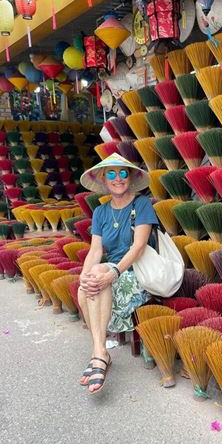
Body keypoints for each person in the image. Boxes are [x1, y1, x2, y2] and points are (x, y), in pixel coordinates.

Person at [78, 153, 159, 395]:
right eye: (110, 174)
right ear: (103, 180)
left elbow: (139, 247)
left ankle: (99, 356)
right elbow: (95, 250)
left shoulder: (141, 204)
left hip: (137, 272)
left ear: (130, 177)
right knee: (85, 289)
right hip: (111, 272)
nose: (117, 178)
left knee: (99, 274)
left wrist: (112, 272)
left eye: (122, 173)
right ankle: (100, 352)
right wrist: (84, 275)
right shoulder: (101, 212)